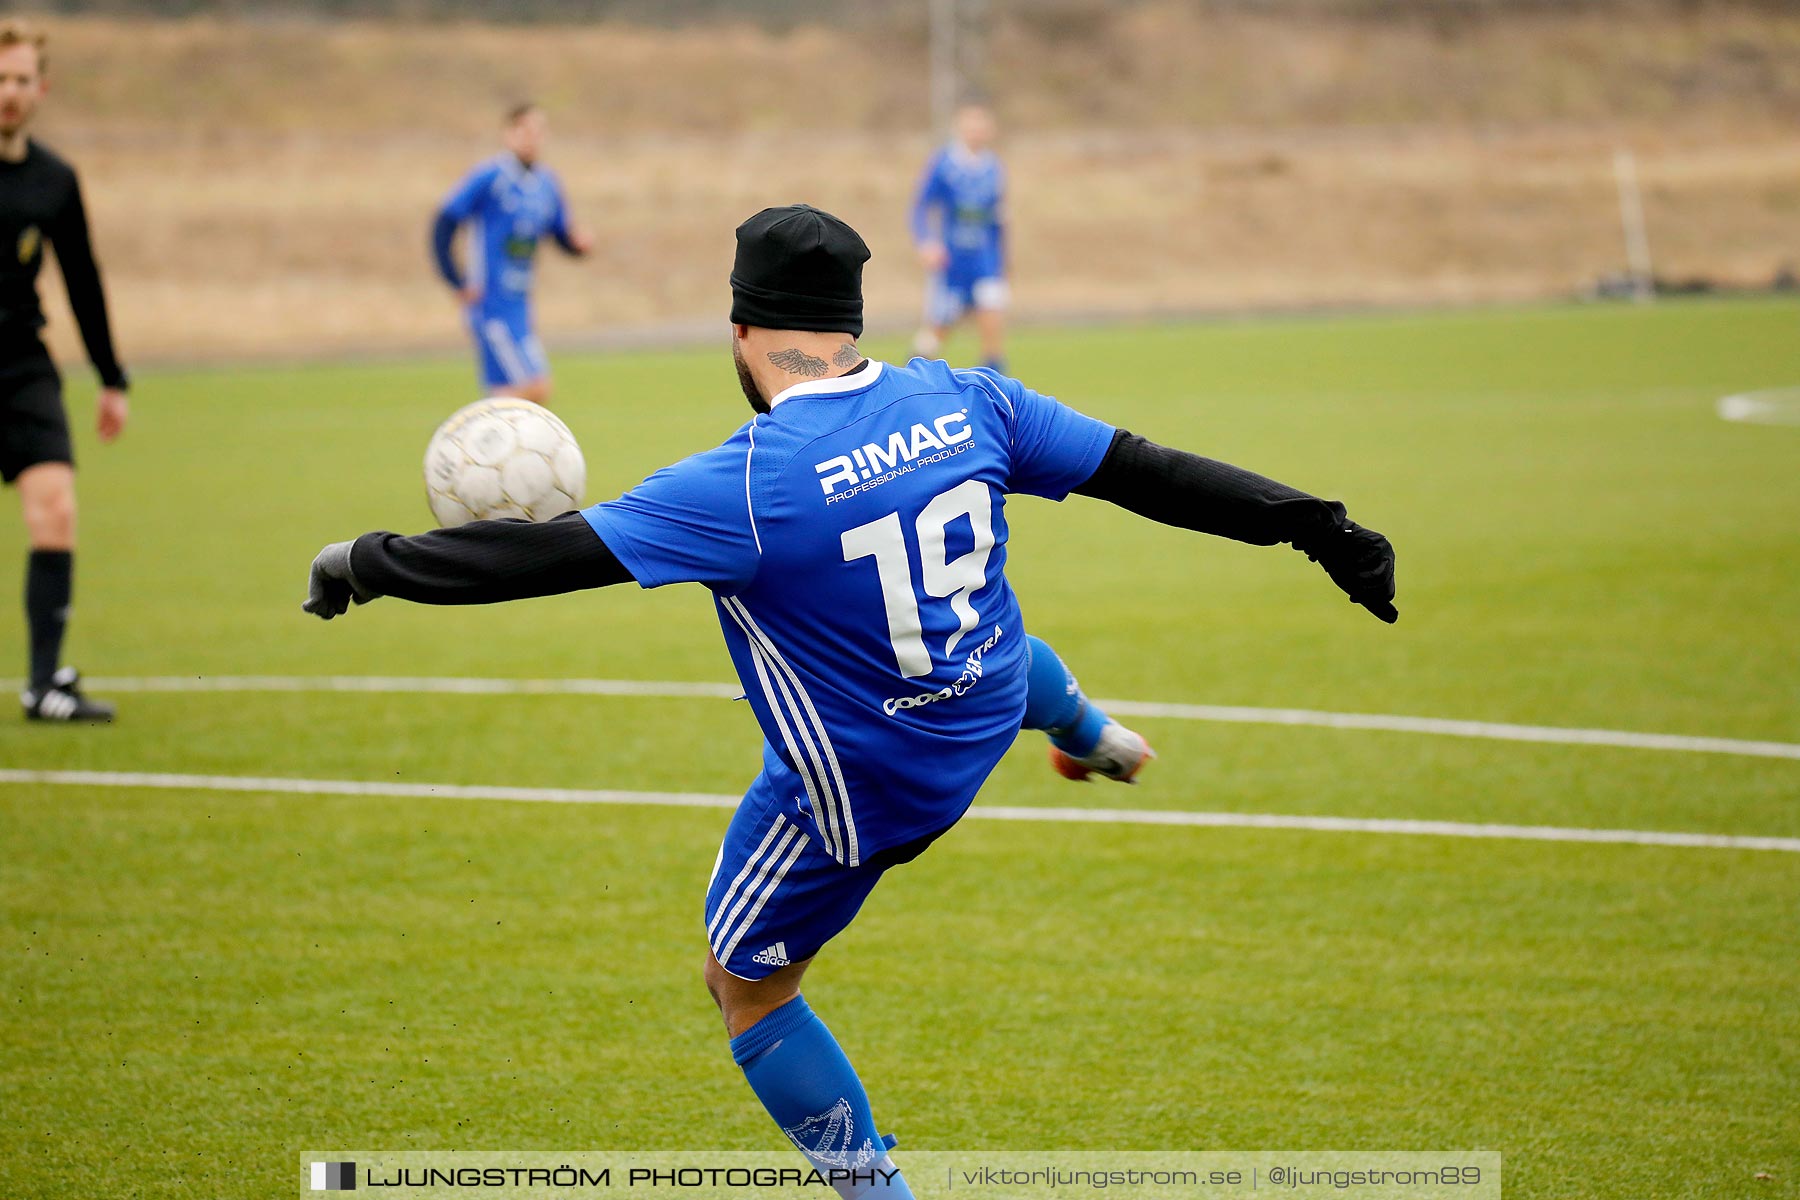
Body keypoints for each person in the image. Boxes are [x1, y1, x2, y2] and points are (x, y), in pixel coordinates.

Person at [305, 205, 1397, 1197]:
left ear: (742, 334)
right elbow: (1146, 469)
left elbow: (536, 557)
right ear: (849, 324)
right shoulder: (967, 397)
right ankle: (1091, 732)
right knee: (1000, 653)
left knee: (745, 987)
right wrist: (1316, 522)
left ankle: (878, 1195)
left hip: (867, 795)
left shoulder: (743, 481)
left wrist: (364, 560)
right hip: (978, 695)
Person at [0, 18, 127, 723]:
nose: (8, 93)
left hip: (22, 365)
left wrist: (112, 377)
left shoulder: (54, 179)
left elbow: (83, 281)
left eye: (19, 79)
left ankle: (43, 686)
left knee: (56, 510)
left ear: (40, 88)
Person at [431, 102, 593, 406]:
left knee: (514, 396)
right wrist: (456, 279)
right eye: (525, 130)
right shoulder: (490, 178)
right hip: (490, 303)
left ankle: (476, 441)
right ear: (509, 135)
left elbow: (558, 234)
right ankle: (464, 433)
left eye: (539, 131)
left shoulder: (547, 184)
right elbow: (444, 223)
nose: (533, 137)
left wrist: (577, 245)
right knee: (535, 388)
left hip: (520, 304)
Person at [910, 101, 1008, 372]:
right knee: (941, 323)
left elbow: (998, 217)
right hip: (952, 259)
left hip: (984, 258)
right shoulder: (944, 164)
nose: (976, 132)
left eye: (982, 127)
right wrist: (926, 242)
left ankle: (995, 379)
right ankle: (915, 367)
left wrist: (1002, 258)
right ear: (960, 129)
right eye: (971, 126)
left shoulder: (993, 168)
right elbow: (920, 206)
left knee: (992, 313)